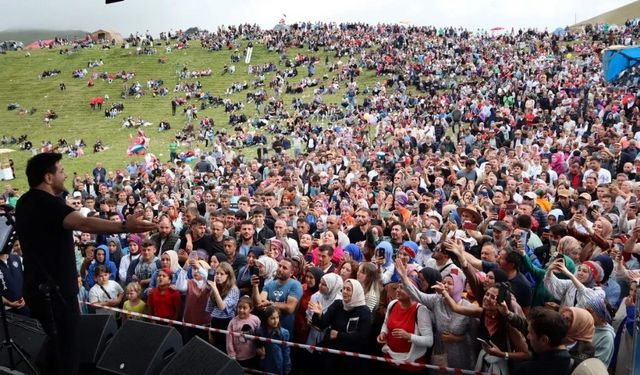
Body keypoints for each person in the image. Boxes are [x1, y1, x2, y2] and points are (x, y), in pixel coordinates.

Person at [15, 153, 156, 375]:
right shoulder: (48, 204)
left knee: (52, 350)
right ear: (48, 178)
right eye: (61, 171)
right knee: (65, 351)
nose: (65, 174)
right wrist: (124, 227)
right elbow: (84, 222)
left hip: (39, 289)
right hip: (55, 294)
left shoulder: (25, 201)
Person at [308, 279, 372, 375]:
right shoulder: (338, 304)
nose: (345, 292)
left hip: (351, 356)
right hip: (333, 352)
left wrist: (339, 335)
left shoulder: (364, 311)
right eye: (343, 289)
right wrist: (318, 314)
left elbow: (362, 336)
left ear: (356, 292)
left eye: (348, 289)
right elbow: (321, 325)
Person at [377, 282, 433, 373]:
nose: (397, 290)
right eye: (398, 287)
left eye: (402, 288)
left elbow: (429, 341)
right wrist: (383, 333)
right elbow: (385, 323)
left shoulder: (420, 310)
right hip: (389, 359)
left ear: (412, 292)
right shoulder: (393, 304)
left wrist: (409, 336)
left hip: (411, 365)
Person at [513, 308, 575, 375]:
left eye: (531, 333)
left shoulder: (527, 370)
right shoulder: (573, 365)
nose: (528, 336)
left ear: (544, 340)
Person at [206, 261, 239, 352]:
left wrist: (214, 288)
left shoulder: (234, 290)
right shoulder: (215, 288)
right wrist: (210, 331)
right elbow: (210, 310)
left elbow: (222, 307)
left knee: (224, 351)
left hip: (227, 323)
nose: (218, 276)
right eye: (217, 273)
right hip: (214, 322)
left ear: (228, 275)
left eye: (222, 274)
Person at [227, 295, 261, 370]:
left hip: (253, 354)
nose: (241, 310)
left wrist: (260, 348)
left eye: (244, 308)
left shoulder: (256, 319)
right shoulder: (232, 322)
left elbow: (260, 336)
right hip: (239, 357)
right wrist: (232, 355)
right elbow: (229, 340)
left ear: (251, 309)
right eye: (239, 307)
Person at [256, 305, 291, 375]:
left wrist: (287, 366)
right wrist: (259, 352)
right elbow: (257, 347)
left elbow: (286, 351)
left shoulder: (284, 333)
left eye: (277, 317)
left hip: (278, 363)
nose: (276, 321)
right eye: (272, 318)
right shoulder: (260, 331)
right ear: (266, 319)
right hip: (265, 363)